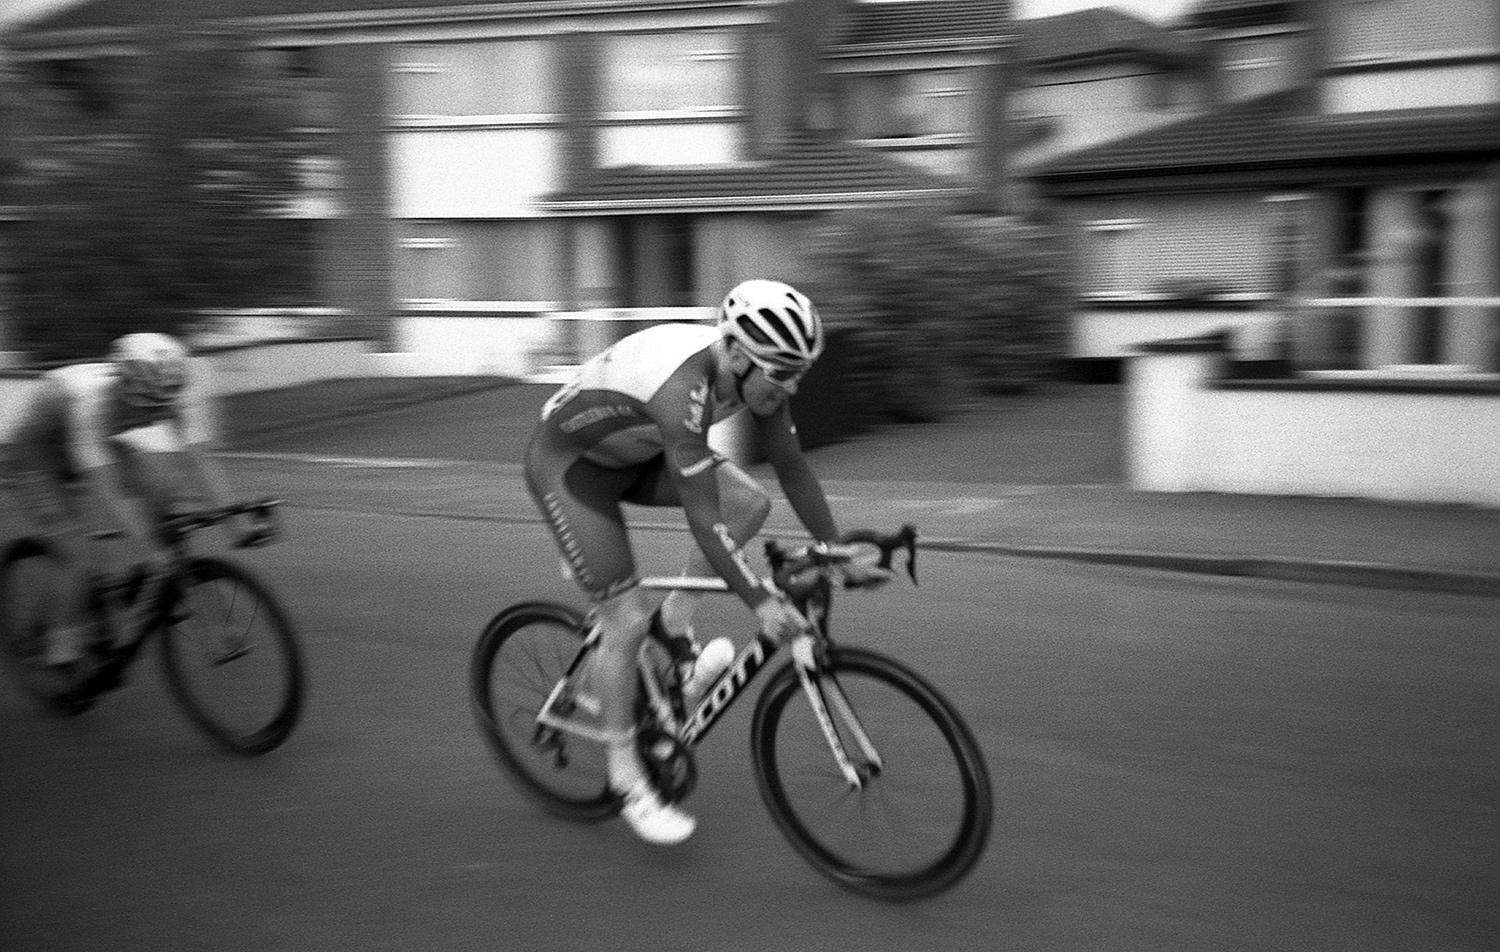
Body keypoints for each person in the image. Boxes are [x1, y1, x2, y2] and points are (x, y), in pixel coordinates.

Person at [525, 279, 888, 845]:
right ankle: (628, 781)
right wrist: (761, 602)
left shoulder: (754, 378)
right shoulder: (683, 389)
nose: (791, 386)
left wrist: (835, 551)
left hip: (639, 454)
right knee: (625, 620)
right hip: (572, 470)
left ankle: (673, 629)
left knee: (751, 502)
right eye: (782, 372)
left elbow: (792, 470)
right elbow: (703, 519)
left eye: (800, 373)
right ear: (738, 355)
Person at [0, 332, 249, 674]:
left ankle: (140, 584)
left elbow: (199, 458)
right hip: (34, 457)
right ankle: (58, 644)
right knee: (81, 554)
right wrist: (150, 548)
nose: (154, 412)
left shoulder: (164, 393)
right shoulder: (90, 404)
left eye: (161, 404)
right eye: (145, 404)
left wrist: (233, 516)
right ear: (122, 385)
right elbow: (109, 489)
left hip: (87, 444)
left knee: (159, 483)